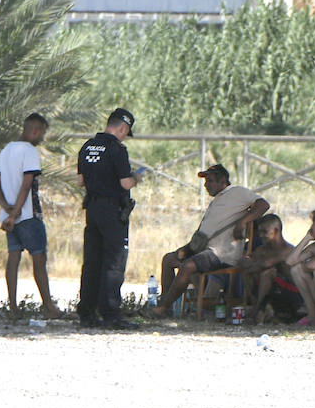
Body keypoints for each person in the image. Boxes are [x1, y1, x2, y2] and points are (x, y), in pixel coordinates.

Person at [145, 164, 268, 317]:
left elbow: (263, 204)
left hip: (221, 253)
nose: (206, 185)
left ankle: (162, 308)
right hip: (202, 248)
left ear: (223, 180)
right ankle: (165, 306)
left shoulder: (238, 192)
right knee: (169, 259)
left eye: (210, 181)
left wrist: (243, 222)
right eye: (205, 181)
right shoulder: (218, 199)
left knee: (188, 266)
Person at [75, 108, 141, 330]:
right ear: (123, 128)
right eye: (126, 132)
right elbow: (125, 183)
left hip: (92, 208)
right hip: (113, 211)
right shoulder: (117, 149)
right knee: (114, 262)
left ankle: (87, 313)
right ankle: (111, 314)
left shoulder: (87, 146)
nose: (124, 136)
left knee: (92, 262)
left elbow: (80, 181)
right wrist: (137, 177)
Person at [0, 112, 61, 318]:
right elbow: (27, 184)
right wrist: (17, 213)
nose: (42, 139)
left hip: (7, 217)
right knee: (39, 259)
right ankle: (49, 307)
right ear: (34, 131)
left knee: (13, 258)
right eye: (42, 134)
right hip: (28, 216)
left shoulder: (5, 151)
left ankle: (13, 307)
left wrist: (7, 209)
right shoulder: (29, 151)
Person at [243, 214, 302, 323]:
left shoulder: (288, 250)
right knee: (249, 274)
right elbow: (246, 264)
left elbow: (265, 263)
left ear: (276, 231)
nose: (260, 235)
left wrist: (252, 264)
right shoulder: (262, 249)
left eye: (264, 232)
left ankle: (258, 310)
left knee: (268, 273)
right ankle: (258, 308)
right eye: (259, 232)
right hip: (273, 293)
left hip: (292, 296)